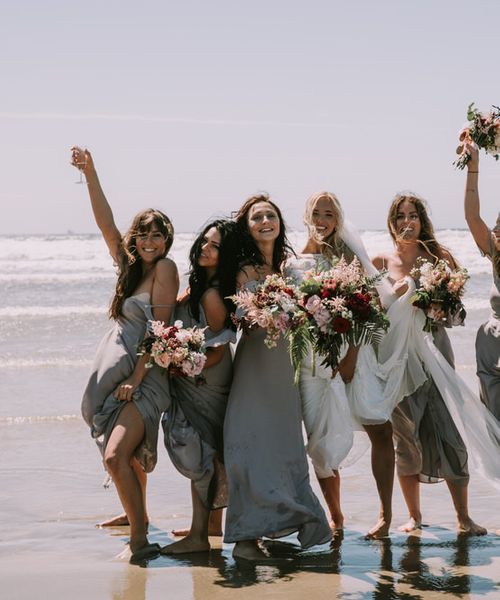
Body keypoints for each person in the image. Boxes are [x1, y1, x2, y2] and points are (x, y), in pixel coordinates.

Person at [72, 147, 179, 561]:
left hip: (146, 377)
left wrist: (136, 376)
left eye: (157, 235)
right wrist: (91, 172)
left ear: (167, 240)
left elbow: (161, 329)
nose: (149, 241)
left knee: (117, 455)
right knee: (124, 455)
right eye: (143, 234)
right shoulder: (130, 267)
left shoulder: (165, 270)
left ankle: (140, 541)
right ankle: (136, 516)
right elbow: (105, 224)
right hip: (118, 368)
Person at [223, 193, 331, 561]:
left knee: (284, 447)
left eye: (270, 215)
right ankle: (245, 537)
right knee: (249, 444)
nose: (265, 221)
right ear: (248, 227)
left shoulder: (292, 267)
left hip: (287, 367)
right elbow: (242, 316)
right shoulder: (243, 269)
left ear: (280, 223)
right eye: (257, 217)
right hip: (254, 366)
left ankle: (283, 523)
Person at [372, 192, 487, 535]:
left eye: (413, 216)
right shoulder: (379, 262)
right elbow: (375, 316)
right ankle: (414, 517)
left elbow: (457, 313)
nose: (406, 222)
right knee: (404, 436)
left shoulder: (439, 258)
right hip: (398, 360)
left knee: (447, 430)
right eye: (400, 216)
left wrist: (440, 311)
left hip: (435, 353)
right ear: (391, 223)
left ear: (422, 221)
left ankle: (464, 517)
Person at [285, 191, 394, 539]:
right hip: (311, 364)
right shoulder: (291, 265)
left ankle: (386, 514)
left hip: (352, 358)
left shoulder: (348, 261)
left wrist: (350, 357)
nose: (321, 219)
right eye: (316, 212)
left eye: (328, 213)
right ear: (306, 216)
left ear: (338, 219)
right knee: (319, 440)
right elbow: (289, 318)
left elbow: (369, 311)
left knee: (380, 427)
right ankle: (336, 515)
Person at [160, 219, 239, 554]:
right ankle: (209, 526)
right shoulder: (200, 284)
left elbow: (219, 350)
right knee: (212, 452)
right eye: (206, 242)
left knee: (202, 451)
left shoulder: (210, 293)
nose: (207, 249)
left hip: (206, 379)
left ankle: (198, 537)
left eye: (216, 246)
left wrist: (186, 367)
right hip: (198, 374)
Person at [462, 141, 500, 418]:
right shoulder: (495, 255)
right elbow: (473, 216)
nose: (496, 230)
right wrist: (472, 168)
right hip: (490, 346)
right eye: (497, 226)